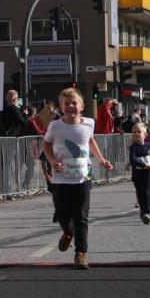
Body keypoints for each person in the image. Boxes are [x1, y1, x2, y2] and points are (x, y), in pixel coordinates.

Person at [43, 87, 114, 270]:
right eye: (66, 104)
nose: (71, 106)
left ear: (82, 106)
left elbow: (90, 141)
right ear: (61, 107)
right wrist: (51, 160)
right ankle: (68, 232)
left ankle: (81, 253)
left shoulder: (89, 123)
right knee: (62, 214)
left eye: (74, 103)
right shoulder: (55, 126)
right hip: (60, 178)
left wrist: (101, 159)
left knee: (81, 216)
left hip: (83, 177)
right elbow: (46, 144)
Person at [128, 122, 150, 224]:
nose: (136, 134)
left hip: (148, 174)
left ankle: (146, 212)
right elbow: (133, 160)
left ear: (145, 134)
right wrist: (144, 165)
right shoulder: (133, 147)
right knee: (140, 194)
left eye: (139, 132)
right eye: (134, 132)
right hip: (137, 175)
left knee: (148, 193)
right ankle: (144, 214)